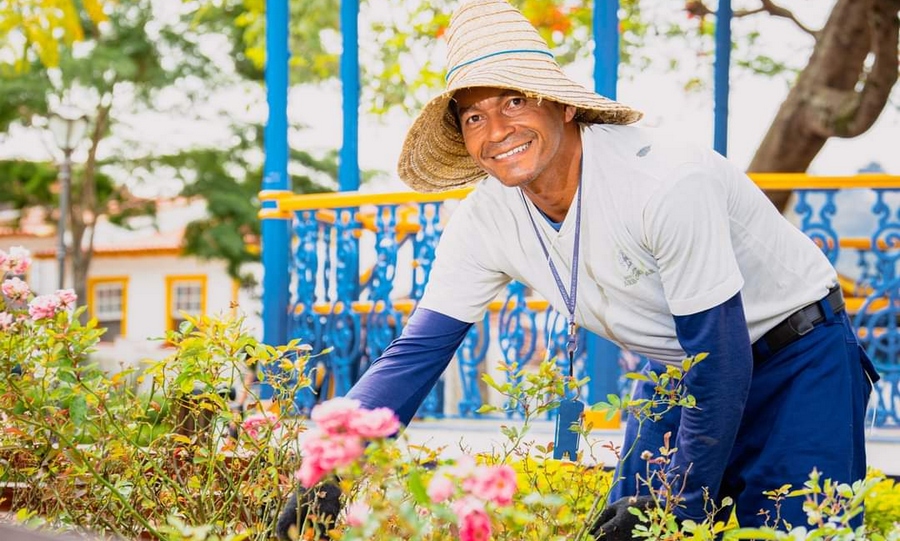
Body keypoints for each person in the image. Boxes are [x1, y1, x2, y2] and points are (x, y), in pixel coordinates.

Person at [277, 0, 880, 538]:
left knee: (796, 529)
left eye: (514, 100)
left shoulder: (665, 181)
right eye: (474, 116)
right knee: (626, 524)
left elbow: (720, 360)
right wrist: (331, 464)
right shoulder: (483, 219)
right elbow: (415, 355)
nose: (498, 130)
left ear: (562, 107)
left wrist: (683, 501)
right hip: (680, 368)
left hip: (795, 356)